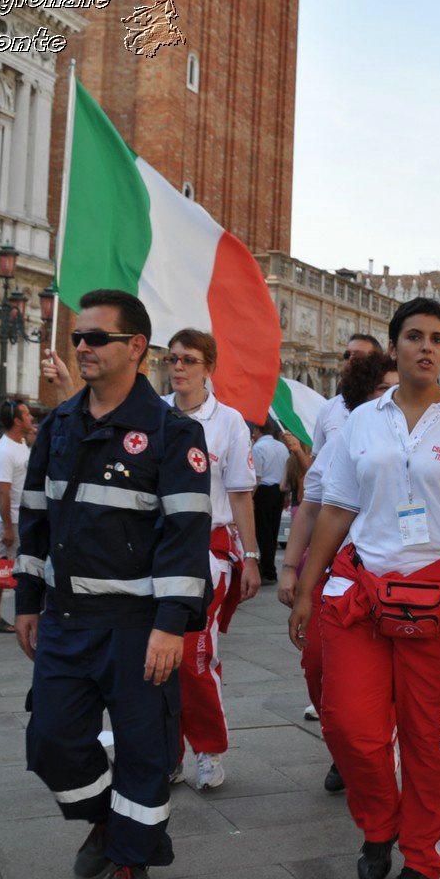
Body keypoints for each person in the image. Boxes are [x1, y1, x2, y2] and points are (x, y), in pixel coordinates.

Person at [289, 298, 440, 879]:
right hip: (360, 591)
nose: (426, 347)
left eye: (437, 338)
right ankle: (378, 828)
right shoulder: (363, 420)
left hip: (439, 600)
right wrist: (306, 588)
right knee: (349, 725)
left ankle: (423, 854)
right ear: (395, 346)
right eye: (414, 336)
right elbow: (336, 507)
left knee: (429, 739)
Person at [14, 289, 211, 879]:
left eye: (96, 338)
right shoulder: (60, 424)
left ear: (135, 348)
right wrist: (26, 601)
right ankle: (107, 824)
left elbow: (186, 536)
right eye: (78, 338)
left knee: (144, 748)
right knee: (50, 739)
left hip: (137, 627)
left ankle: (131, 863)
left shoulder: (174, 432)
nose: (81, 347)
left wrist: (170, 625)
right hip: (67, 620)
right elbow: (35, 519)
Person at [279, 354, 397, 795]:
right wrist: (293, 571)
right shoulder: (345, 435)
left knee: (377, 689)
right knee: (317, 669)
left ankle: (374, 755)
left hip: (396, 582)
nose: (392, 396)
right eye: (382, 389)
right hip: (338, 576)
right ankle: (346, 750)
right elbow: (312, 507)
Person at [160, 328, 261, 791]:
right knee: (154, 657)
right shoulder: (153, 415)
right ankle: (165, 752)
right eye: (173, 359)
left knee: (195, 655)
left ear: (208, 368)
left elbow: (240, 495)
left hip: (208, 551)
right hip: (156, 550)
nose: (178, 367)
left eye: (189, 360)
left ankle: (207, 749)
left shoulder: (229, 423)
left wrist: (254, 556)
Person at [0, 399, 33, 633]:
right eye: (27, 414)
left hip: (19, 516)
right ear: (16, 420)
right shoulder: (4, 451)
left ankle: (1, 615)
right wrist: (7, 527)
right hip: (10, 517)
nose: (31, 417)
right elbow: (3, 491)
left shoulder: (20, 443)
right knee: (1, 564)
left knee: (7, 564)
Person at [249, 421, 289, 584]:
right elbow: (287, 471)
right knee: (272, 531)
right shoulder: (282, 447)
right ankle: (269, 569)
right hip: (279, 491)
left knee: (263, 532)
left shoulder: (258, 448)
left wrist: (250, 497)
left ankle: (267, 570)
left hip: (264, 491)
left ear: (259, 430)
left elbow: (257, 476)